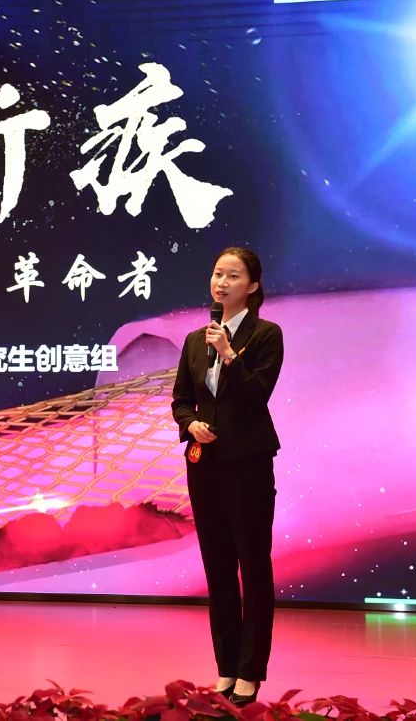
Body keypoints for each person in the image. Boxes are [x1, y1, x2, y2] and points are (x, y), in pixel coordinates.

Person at [170, 246, 283, 708]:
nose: (222, 282)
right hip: (205, 466)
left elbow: (257, 396)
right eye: (218, 273)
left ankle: (251, 671)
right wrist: (190, 424)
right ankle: (226, 667)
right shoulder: (194, 339)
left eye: (233, 276)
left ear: (252, 286)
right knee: (217, 569)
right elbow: (181, 398)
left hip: (248, 463)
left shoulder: (266, 334)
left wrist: (229, 353)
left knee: (252, 567)